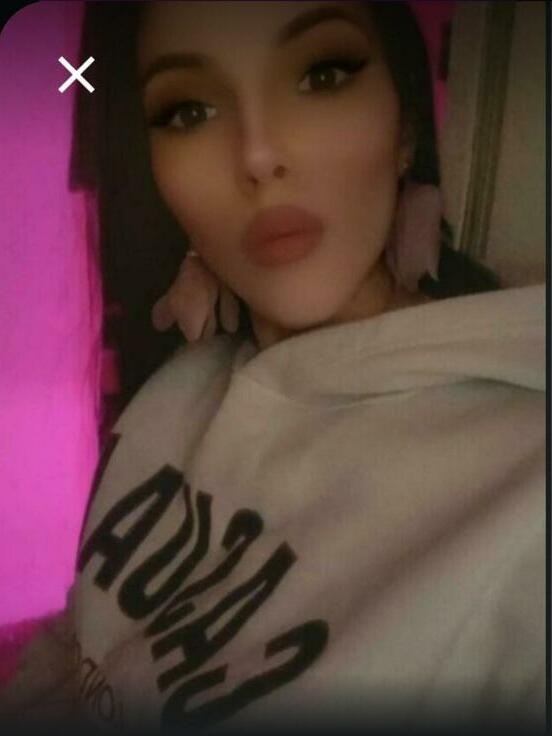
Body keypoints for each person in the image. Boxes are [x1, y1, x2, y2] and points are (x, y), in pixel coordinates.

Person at [0, 1, 545, 733]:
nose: (257, 156)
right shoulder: (175, 388)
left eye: (323, 74)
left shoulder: (525, 483)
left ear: (406, 127)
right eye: (189, 111)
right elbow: (83, 644)